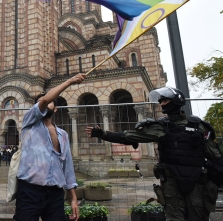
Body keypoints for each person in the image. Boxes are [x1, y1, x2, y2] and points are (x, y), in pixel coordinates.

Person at [85, 86, 221, 221]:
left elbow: (215, 156)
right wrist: (103, 134)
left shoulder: (199, 126)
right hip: (172, 183)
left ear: (176, 101)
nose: (161, 104)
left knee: (198, 216)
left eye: (165, 101)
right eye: (161, 101)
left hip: (198, 182)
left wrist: (214, 180)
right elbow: (128, 136)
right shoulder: (161, 126)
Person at [13, 73, 86, 221]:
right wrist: (70, 81)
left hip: (55, 194)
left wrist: (73, 198)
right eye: (40, 102)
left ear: (56, 109)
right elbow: (46, 99)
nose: (45, 103)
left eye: (50, 102)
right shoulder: (29, 124)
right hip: (30, 190)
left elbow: (67, 167)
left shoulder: (63, 134)